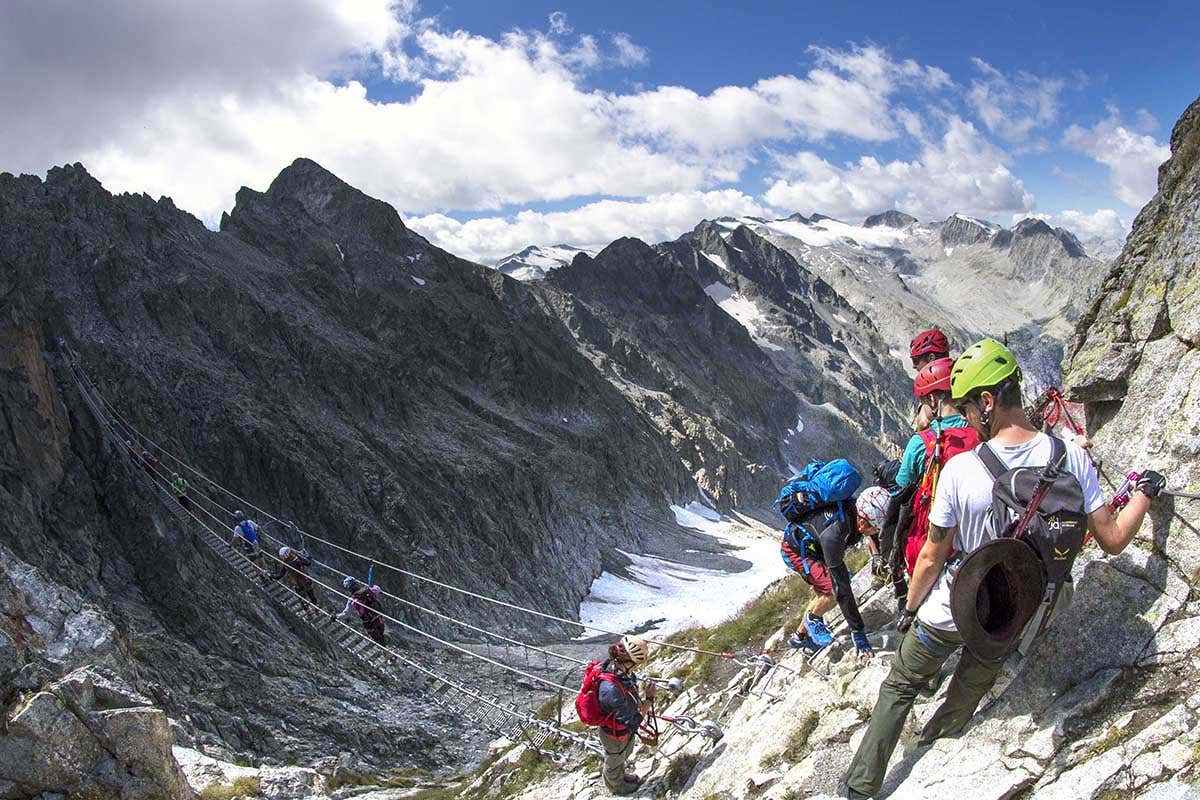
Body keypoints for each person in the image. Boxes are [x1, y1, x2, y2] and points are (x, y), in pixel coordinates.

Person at [844, 339, 1165, 799]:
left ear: (987, 401)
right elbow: (1113, 539)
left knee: (900, 686)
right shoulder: (1070, 456)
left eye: (967, 409)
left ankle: (860, 788)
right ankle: (933, 749)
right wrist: (1144, 494)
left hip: (951, 607)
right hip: (1009, 617)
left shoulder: (961, 471)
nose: (967, 418)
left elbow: (932, 556)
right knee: (967, 691)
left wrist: (910, 610)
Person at [879, 358, 981, 605]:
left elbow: (901, 485)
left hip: (938, 541)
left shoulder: (922, 442)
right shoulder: (981, 429)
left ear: (933, 400)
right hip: (982, 530)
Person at [783, 489, 881, 661]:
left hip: (814, 543)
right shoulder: (834, 534)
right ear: (862, 523)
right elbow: (842, 589)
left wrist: (877, 556)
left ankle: (799, 637)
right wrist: (858, 632)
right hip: (797, 550)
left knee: (824, 593)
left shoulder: (858, 510)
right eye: (874, 528)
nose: (875, 532)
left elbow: (872, 535)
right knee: (832, 592)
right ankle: (813, 619)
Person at [595, 636, 654, 795]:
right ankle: (617, 786)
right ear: (629, 662)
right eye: (637, 663)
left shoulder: (616, 670)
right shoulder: (611, 690)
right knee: (614, 759)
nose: (638, 667)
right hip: (614, 734)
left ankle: (620, 776)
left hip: (619, 729)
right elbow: (633, 722)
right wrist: (649, 700)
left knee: (622, 755)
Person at [908, 328, 951, 432]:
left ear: (931, 358)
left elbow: (923, 423)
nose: (913, 366)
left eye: (916, 360)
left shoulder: (930, 389)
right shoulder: (959, 377)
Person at [337, 577, 387, 645]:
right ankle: (384, 646)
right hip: (378, 618)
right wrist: (373, 587)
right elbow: (377, 588)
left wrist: (336, 616)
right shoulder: (370, 590)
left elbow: (345, 614)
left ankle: (384, 647)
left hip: (369, 623)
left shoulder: (353, 600)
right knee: (381, 635)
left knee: (379, 640)